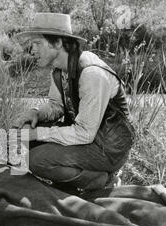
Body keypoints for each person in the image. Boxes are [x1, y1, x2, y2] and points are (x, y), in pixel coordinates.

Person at [15, 13, 135, 192]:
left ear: (58, 43)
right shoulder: (59, 70)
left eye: (37, 43)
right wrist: (36, 114)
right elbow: (57, 106)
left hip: (108, 148)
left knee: (35, 159)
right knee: (24, 134)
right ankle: (71, 181)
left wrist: (38, 133)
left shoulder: (92, 74)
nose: (32, 51)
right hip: (89, 138)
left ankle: (101, 180)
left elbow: (84, 133)